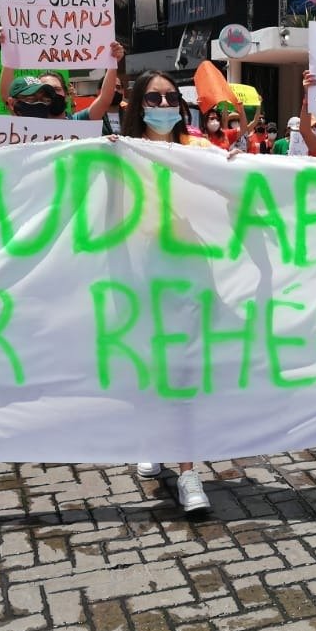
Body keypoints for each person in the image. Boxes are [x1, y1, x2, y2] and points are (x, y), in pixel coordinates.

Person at [118, 70, 218, 514]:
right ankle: (151, 440)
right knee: (149, 369)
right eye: (154, 98)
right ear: (138, 104)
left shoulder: (197, 150)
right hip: (137, 276)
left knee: (181, 372)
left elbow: (237, 183)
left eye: (171, 97)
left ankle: (188, 472)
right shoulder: (118, 153)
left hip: (188, 277)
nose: (163, 105)